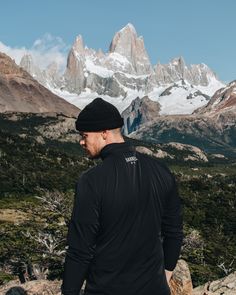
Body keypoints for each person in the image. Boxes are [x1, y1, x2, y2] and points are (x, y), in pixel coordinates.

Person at [62, 97, 183, 295]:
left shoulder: (91, 181)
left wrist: (69, 292)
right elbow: (174, 232)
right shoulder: (161, 170)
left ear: (103, 133)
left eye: (84, 135)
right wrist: (166, 275)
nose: (81, 141)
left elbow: (80, 251)